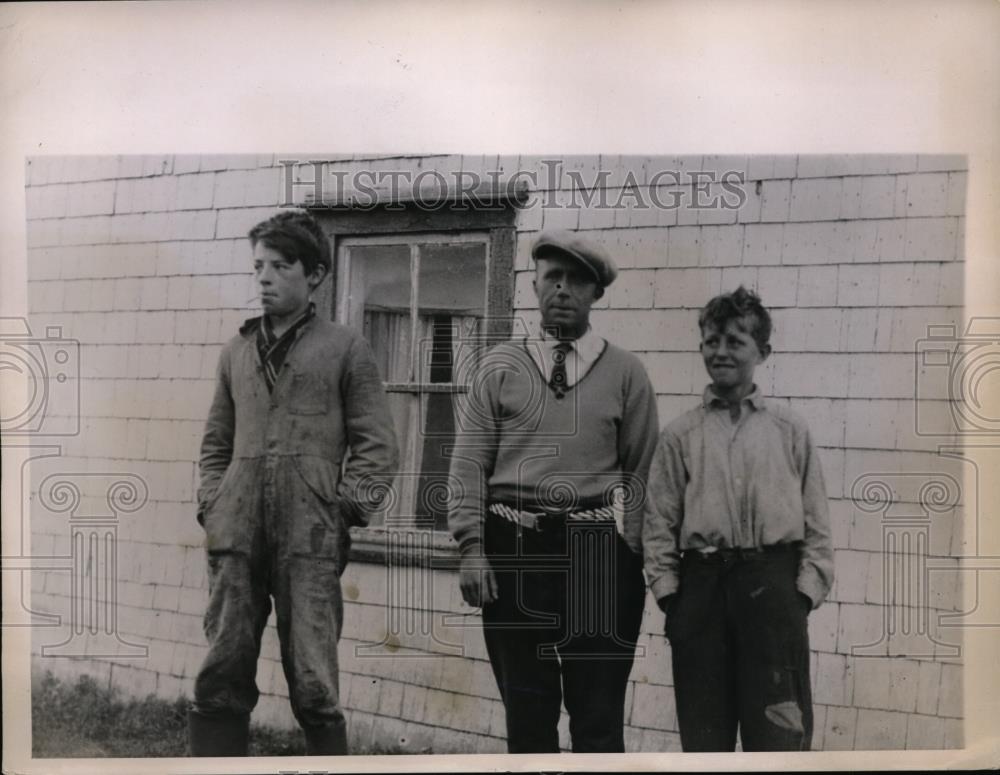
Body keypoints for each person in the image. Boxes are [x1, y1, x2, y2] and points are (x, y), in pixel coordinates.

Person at [189, 210, 398, 756]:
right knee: (223, 670)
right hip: (235, 538)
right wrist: (214, 503)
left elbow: (378, 448)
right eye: (259, 265)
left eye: (281, 266)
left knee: (313, 680)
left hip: (311, 541)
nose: (265, 277)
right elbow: (215, 444)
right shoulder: (235, 352)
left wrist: (345, 510)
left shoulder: (345, 348)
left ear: (315, 276)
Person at [448, 229, 659, 753]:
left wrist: (629, 555)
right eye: (552, 278)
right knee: (527, 712)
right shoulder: (498, 368)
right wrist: (472, 547)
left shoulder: (627, 374)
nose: (563, 290)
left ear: (596, 294)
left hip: (595, 554)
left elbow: (643, 473)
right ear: (535, 286)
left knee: (598, 714)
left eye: (577, 281)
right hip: (512, 547)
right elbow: (469, 461)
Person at [642, 286, 834, 751]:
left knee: (779, 736)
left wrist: (802, 597)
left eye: (735, 342)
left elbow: (817, 524)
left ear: (762, 352)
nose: (721, 352)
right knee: (705, 738)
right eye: (712, 341)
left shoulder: (789, 430)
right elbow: (658, 524)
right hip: (702, 590)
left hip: (773, 590)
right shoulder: (680, 435)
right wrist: (673, 599)